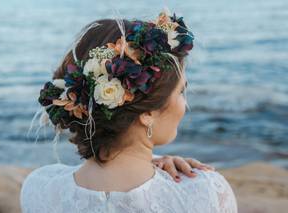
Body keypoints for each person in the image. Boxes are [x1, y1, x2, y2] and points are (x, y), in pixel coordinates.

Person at [20, 9, 238, 213]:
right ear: (147, 113)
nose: (185, 105)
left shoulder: (39, 190)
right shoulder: (206, 194)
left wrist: (152, 159)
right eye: (181, 92)